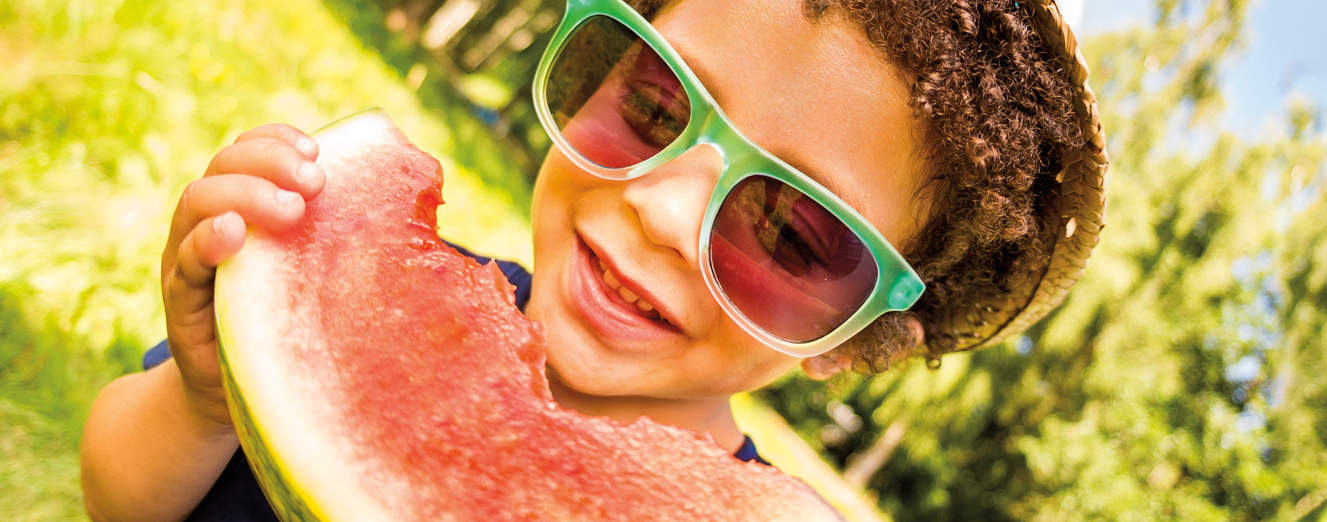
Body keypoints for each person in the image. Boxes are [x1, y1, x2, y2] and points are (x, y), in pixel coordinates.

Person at [79, 0, 1107, 520]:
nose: (659, 210)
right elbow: (122, 498)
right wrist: (205, 405)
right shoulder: (364, 317)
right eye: (657, 100)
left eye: (791, 230)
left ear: (860, 342)